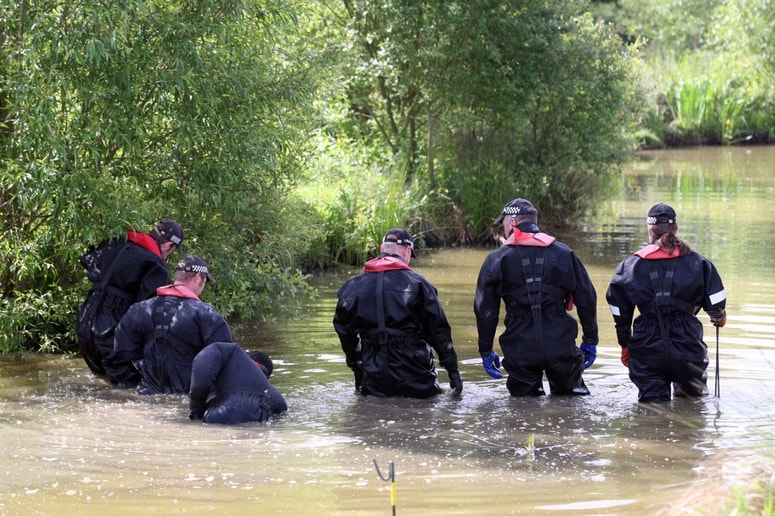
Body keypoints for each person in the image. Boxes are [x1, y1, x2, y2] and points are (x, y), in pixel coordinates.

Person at [474, 198, 599, 396]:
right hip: (561, 345)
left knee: (522, 410)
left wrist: (486, 349)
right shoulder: (564, 253)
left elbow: (485, 311)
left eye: (504, 223)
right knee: (571, 405)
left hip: (520, 348)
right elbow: (587, 298)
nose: (503, 229)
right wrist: (591, 339)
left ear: (512, 222)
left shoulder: (496, 260)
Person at [606, 203, 727, 403]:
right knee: (692, 410)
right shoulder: (698, 262)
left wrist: (625, 343)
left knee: (651, 412)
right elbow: (716, 300)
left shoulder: (630, 266)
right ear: (675, 228)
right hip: (687, 346)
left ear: (649, 229)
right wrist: (719, 316)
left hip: (647, 347)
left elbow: (619, 310)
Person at [333, 228, 462, 398]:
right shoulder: (419, 285)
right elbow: (438, 331)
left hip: (373, 375)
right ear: (406, 251)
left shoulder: (352, 287)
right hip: (414, 373)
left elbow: (344, 331)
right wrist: (453, 370)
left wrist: (357, 366)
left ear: (382, 249)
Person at [104, 254, 233, 395]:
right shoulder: (206, 313)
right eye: (205, 281)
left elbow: (121, 353)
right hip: (187, 399)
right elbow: (225, 359)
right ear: (197, 277)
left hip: (147, 395)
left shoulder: (139, 309)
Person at [76, 219, 184, 376]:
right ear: (169, 245)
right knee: (127, 386)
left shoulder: (114, 243)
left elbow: (88, 261)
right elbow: (149, 309)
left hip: (85, 319)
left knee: (101, 380)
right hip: (111, 326)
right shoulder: (155, 265)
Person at [189, 342, 287, 424]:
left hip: (217, 416)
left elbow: (199, 386)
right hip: (255, 418)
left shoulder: (228, 359)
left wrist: (196, 414)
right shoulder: (271, 392)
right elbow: (281, 408)